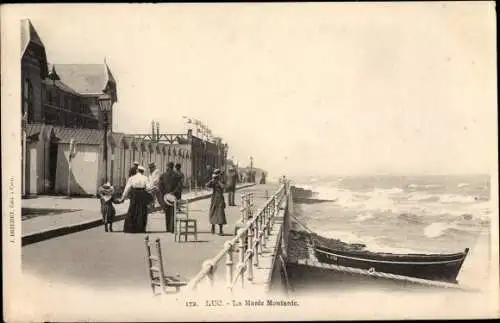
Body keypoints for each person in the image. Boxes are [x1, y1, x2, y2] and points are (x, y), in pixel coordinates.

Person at [119, 165, 152, 233]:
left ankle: (131, 228)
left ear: (137, 170)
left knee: (132, 209)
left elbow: (127, 188)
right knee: (142, 211)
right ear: (143, 172)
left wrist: (123, 197)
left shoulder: (132, 178)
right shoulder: (145, 178)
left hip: (134, 194)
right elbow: (149, 188)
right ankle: (140, 228)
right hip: (142, 194)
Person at [206, 169, 227, 235]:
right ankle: (213, 228)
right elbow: (207, 185)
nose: (218, 176)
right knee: (213, 212)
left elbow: (224, 187)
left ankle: (221, 230)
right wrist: (212, 179)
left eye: (218, 174)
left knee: (220, 214)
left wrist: (219, 181)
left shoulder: (222, 180)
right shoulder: (214, 180)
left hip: (220, 198)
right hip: (214, 198)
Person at [159, 162, 178, 233]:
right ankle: (172, 228)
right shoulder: (176, 175)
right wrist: (173, 192)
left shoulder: (163, 175)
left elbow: (160, 186)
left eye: (167, 166)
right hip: (173, 196)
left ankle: (168, 228)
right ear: (173, 167)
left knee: (167, 212)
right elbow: (179, 186)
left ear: (167, 167)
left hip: (165, 196)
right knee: (173, 212)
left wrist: (164, 193)